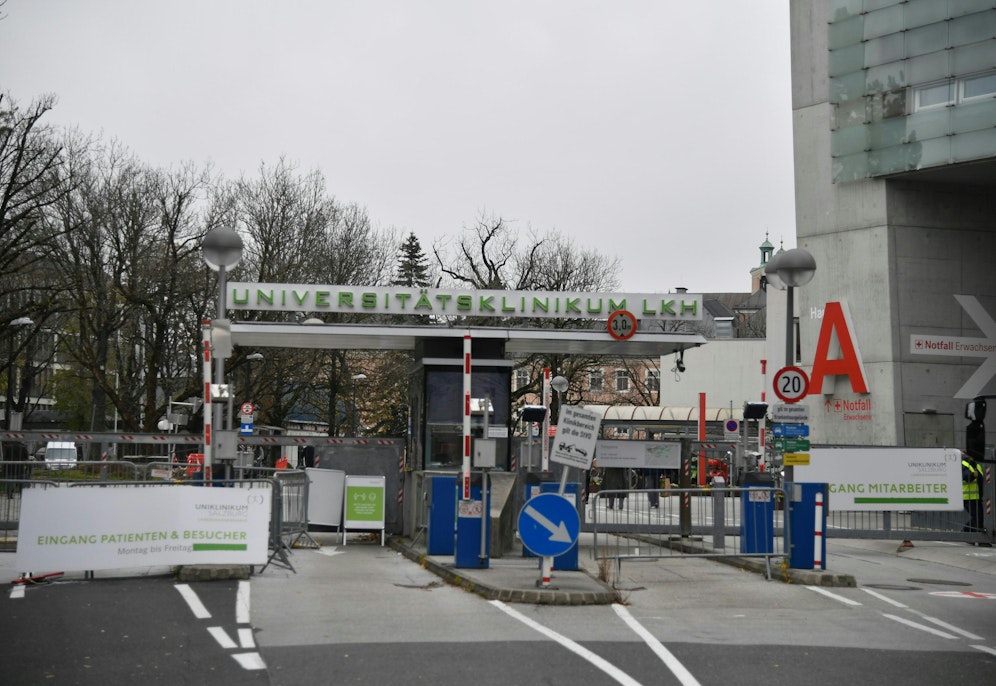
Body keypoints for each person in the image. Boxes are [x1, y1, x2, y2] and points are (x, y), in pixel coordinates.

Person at [962, 450, 984, 540]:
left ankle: (967, 534)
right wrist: (972, 475)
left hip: (977, 497)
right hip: (968, 497)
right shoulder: (963, 464)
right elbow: (965, 476)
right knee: (976, 518)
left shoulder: (977, 465)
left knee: (979, 518)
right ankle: (969, 535)